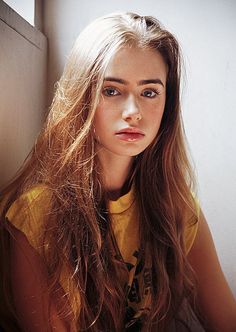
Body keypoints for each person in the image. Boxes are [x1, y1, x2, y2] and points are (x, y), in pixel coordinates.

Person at [0, 11, 235, 332]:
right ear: (83, 96)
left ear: (167, 104)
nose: (133, 112)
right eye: (112, 90)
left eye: (149, 92)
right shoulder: (36, 214)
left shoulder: (177, 208)